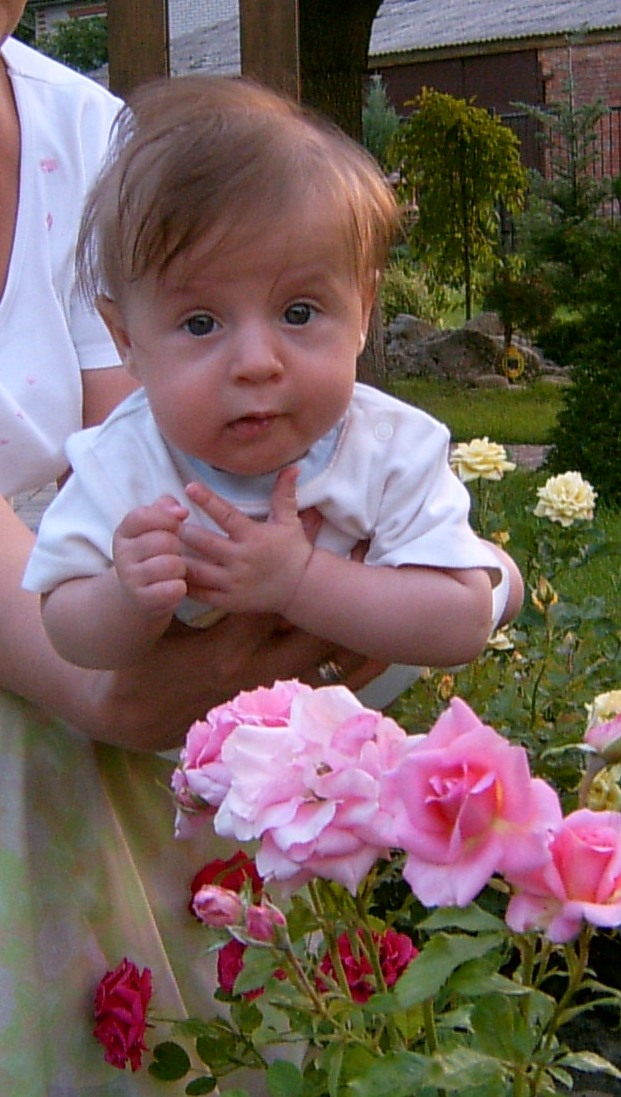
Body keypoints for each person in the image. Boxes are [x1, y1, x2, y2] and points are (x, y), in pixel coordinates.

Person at [0, 16, 376, 1095]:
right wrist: (119, 653)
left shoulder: (80, 124)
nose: (257, 354)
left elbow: (139, 432)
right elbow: (87, 658)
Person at [24, 74, 523, 711]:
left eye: (298, 313)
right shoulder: (120, 464)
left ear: (363, 311)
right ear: (126, 339)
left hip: (360, 731)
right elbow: (66, 626)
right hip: (189, 741)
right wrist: (125, 597)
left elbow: (460, 622)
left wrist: (299, 581)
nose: (257, 364)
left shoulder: (390, 448)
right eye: (201, 324)